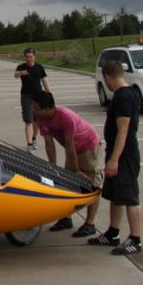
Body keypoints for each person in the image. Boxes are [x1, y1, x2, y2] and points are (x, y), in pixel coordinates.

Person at [88, 59, 143, 255]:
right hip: (117, 153)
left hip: (125, 155)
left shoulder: (123, 98)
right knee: (116, 196)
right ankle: (113, 233)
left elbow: (123, 130)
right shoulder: (124, 95)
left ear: (108, 77)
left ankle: (135, 239)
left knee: (129, 197)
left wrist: (114, 159)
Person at [31, 90, 101, 236]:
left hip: (87, 146)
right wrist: (52, 168)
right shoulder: (41, 118)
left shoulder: (65, 116)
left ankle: (90, 223)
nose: (33, 110)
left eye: (36, 108)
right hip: (73, 148)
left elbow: (70, 144)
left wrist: (74, 168)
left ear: (48, 109)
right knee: (67, 183)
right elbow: (49, 144)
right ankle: (66, 218)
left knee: (91, 183)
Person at [14, 47, 51, 151]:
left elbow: (44, 79)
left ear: (34, 57)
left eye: (31, 57)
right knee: (28, 120)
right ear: (25, 57)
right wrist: (21, 73)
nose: (29, 59)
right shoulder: (21, 67)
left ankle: (34, 138)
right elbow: (15, 75)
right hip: (26, 96)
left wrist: (49, 92)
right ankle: (29, 143)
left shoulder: (39, 67)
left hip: (38, 96)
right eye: (27, 57)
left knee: (36, 120)